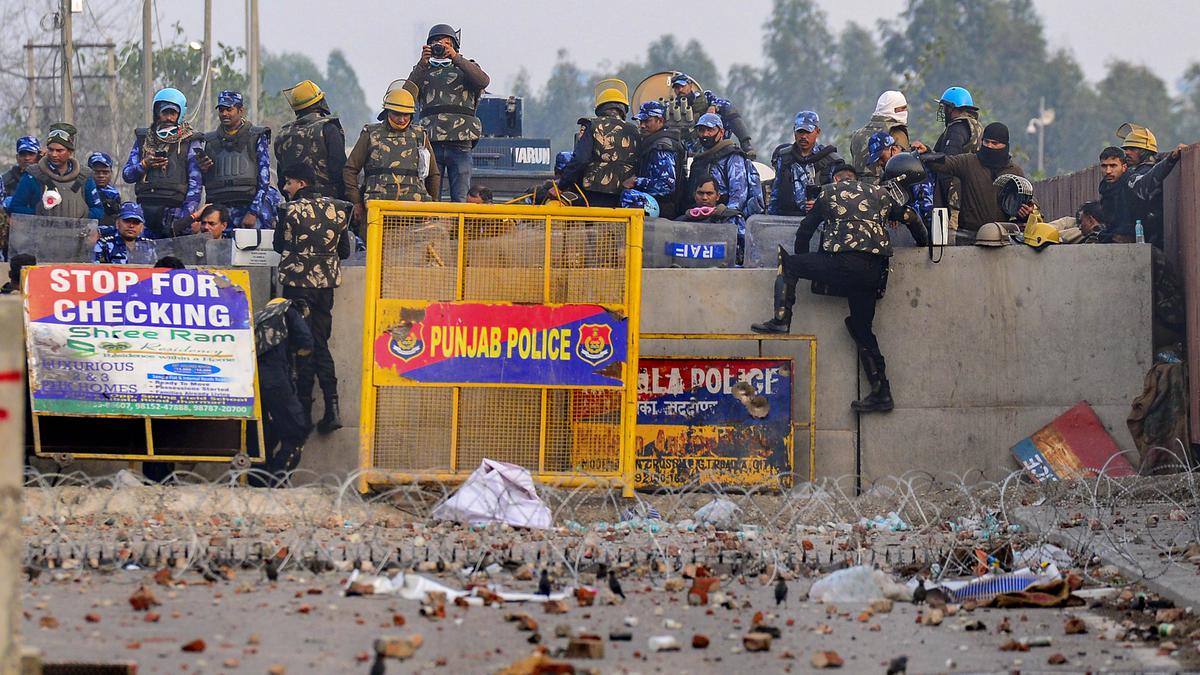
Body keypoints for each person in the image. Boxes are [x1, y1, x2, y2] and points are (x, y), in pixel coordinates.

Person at [750, 157, 930, 413]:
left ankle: (781, 319)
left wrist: (804, 262)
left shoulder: (828, 194)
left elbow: (805, 230)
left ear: (835, 180)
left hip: (842, 264)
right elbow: (910, 215)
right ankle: (881, 392)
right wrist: (924, 243)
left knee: (789, 263)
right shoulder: (878, 194)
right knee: (860, 327)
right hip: (874, 272)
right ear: (856, 179)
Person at [275, 163, 353, 434]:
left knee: (301, 345)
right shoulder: (339, 208)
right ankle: (332, 407)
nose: (285, 188)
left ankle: (304, 412)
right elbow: (344, 251)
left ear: (301, 184)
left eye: (288, 183)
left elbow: (278, 246)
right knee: (320, 343)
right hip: (325, 289)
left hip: (297, 287)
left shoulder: (290, 210)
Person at [406, 24, 490, 203]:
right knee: (430, 197)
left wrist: (456, 58)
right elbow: (406, 95)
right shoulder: (423, 69)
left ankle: (458, 230)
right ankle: (432, 230)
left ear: (454, 45)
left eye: (446, 43)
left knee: (460, 198)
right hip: (431, 142)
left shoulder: (467, 67)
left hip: (460, 142)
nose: (440, 46)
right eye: (436, 42)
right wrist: (422, 64)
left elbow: (483, 81)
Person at [913, 123, 1027, 239]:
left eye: (995, 143)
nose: (989, 146)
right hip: (968, 238)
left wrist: (1027, 211)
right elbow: (945, 163)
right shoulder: (969, 162)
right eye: (986, 142)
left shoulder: (1015, 172)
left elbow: (1028, 200)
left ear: (1005, 145)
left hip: (1000, 239)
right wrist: (927, 152)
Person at [344, 88, 441, 223]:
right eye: (397, 114)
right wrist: (356, 202)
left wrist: (432, 204)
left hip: (414, 210)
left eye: (406, 115)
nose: (402, 119)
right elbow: (350, 169)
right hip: (377, 209)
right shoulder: (371, 134)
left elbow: (433, 174)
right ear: (387, 112)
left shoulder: (420, 135)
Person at [249, 297, 314, 486]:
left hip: (251, 380)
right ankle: (278, 479)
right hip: (276, 379)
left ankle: (257, 480)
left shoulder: (259, 317)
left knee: (263, 433)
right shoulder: (289, 309)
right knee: (297, 429)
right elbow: (306, 342)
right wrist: (298, 362)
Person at [122, 88, 203, 238]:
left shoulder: (190, 141)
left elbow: (195, 184)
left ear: (180, 115)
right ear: (157, 113)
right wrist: (144, 165)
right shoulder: (143, 139)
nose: (168, 117)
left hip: (175, 211)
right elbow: (127, 175)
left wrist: (183, 218)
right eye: (164, 113)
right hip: (146, 212)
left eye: (173, 113)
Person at [201, 90, 279, 230]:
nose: (224, 114)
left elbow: (264, 178)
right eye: (221, 110)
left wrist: (254, 212)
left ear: (240, 110)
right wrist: (204, 169)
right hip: (221, 209)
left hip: (249, 204)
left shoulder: (256, 136)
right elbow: (202, 180)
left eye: (229, 109)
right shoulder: (210, 141)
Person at [556, 81, 639, 208]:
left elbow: (581, 159)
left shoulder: (593, 126)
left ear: (600, 108)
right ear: (623, 109)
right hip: (624, 196)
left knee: (595, 227)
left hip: (593, 194)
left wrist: (562, 185)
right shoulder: (635, 130)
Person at [8, 123, 103, 221]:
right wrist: (39, 214)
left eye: (59, 150)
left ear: (70, 152)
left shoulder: (83, 176)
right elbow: (16, 207)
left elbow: (98, 210)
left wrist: (79, 214)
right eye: (51, 149)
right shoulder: (33, 175)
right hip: (41, 233)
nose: (54, 154)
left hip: (76, 233)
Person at [1113, 123, 1185, 247]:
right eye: (1126, 149)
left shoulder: (1148, 171)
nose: (1127, 153)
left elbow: (1146, 182)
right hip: (1143, 244)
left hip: (1158, 242)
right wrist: (1170, 159)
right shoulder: (1130, 176)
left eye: (1133, 149)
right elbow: (1144, 183)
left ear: (1145, 151)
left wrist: (1171, 158)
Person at [275, 80, 347, 200]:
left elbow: (282, 178)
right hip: (328, 206)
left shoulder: (283, 134)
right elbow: (339, 171)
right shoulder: (328, 129)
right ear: (319, 103)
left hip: (294, 206)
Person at [930, 86, 983, 240]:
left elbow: (947, 163)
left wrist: (943, 200)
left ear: (953, 109)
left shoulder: (957, 129)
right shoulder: (977, 128)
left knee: (950, 244)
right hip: (971, 197)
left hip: (954, 201)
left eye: (945, 107)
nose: (943, 111)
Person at [768, 111, 843, 217]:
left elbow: (840, 198)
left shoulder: (830, 159)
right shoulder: (784, 157)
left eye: (808, 132)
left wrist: (820, 205)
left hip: (818, 222)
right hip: (785, 221)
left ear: (817, 131)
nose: (803, 136)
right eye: (800, 132)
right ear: (794, 132)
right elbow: (775, 195)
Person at [667, 72, 755, 157]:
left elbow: (725, 104)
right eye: (677, 88)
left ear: (690, 85)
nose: (680, 90)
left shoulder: (704, 97)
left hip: (714, 137)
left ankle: (746, 144)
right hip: (692, 143)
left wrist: (714, 106)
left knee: (729, 109)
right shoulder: (672, 107)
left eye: (682, 86)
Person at [624, 101, 687, 219]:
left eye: (647, 121)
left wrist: (636, 181)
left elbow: (666, 185)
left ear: (660, 121)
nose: (642, 125)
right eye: (641, 121)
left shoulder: (662, 147)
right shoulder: (652, 143)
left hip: (663, 213)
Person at [867, 131, 933, 225]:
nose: (880, 163)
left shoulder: (913, 165)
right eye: (877, 161)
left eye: (881, 158)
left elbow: (925, 205)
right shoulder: (888, 174)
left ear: (893, 149)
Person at [849, 91, 911, 179]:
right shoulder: (896, 130)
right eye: (903, 108)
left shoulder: (857, 134)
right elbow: (905, 164)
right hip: (886, 188)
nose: (905, 111)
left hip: (860, 187)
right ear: (893, 109)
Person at [675, 177, 742, 225]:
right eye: (700, 193)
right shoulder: (681, 222)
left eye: (709, 193)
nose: (704, 198)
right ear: (694, 195)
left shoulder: (732, 219)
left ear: (718, 196)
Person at [87, 152, 121, 228]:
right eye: (96, 172)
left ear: (111, 173)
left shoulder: (113, 194)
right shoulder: (82, 190)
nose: (101, 176)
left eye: (105, 172)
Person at [2, 136, 40, 201]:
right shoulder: (6, 180)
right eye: (23, 154)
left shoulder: (46, 176)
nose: (27, 158)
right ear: (17, 157)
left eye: (31, 154)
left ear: (39, 156)